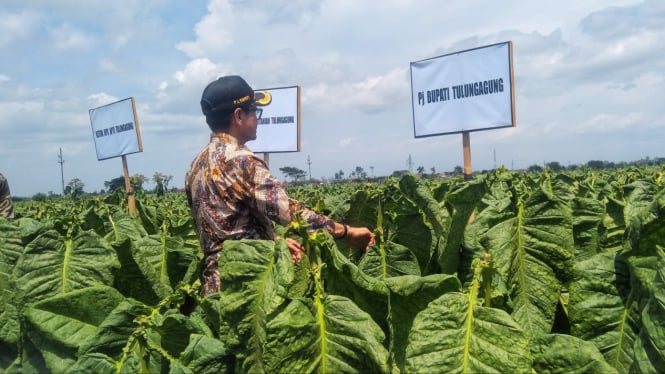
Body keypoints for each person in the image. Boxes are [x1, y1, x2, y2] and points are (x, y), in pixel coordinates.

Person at [185, 75, 376, 295]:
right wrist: (346, 232)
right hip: (250, 286)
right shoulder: (242, 161)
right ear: (239, 116)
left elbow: (224, 228)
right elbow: (291, 213)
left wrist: (274, 240)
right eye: (254, 112)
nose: (257, 119)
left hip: (214, 286)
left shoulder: (196, 165)